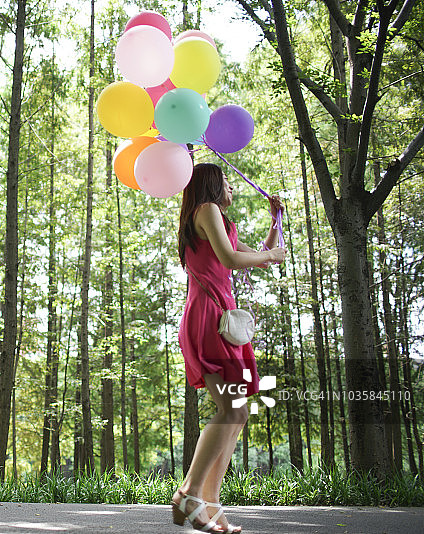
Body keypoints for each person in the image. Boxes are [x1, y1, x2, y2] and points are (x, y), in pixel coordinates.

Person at [171, 163, 286, 533]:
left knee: (238, 412)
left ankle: (208, 502)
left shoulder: (218, 221)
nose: (231, 186)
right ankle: (189, 494)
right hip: (208, 319)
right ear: (210, 185)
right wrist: (271, 256)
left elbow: (258, 255)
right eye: (225, 180)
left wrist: (274, 222)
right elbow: (232, 260)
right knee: (232, 410)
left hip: (221, 320)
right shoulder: (206, 210)